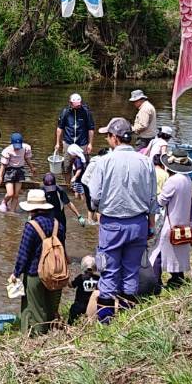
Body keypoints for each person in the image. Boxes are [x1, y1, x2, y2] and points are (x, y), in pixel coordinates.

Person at [79, 117, 156, 319]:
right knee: (131, 272)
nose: (107, 140)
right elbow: (152, 198)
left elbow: (94, 196)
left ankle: (106, 320)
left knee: (108, 272)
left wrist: (96, 208)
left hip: (112, 224)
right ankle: (126, 319)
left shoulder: (104, 162)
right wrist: (151, 226)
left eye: (108, 136)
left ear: (114, 138)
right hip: (139, 223)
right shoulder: (146, 161)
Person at [14, 189, 66, 335]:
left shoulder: (31, 226)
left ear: (31, 209)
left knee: (34, 309)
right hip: (56, 273)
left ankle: (36, 338)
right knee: (50, 308)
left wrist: (16, 274)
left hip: (35, 274)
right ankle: (51, 334)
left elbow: (24, 254)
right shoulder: (57, 225)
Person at [148, 151, 192, 290]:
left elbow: (161, 201)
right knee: (177, 254)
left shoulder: (173, 181)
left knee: (158, 253)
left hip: (170, 224)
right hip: (183, 225)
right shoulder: (187, 179)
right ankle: (177, 279)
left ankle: (155, 283)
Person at [0, 132, 32, 213]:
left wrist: (32, 167)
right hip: (10, 171)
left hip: (20, 171)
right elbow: (3, 165)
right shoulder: (7, 150)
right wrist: (0, 176)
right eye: (15, 147)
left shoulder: (25, 148)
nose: (17, 148)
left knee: (16, 195)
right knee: (10, 193)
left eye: (18, 146)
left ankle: (12, 212)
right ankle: (4, 202)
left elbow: (27, 158)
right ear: (12, 143)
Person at [67, 255, 99, 323]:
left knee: (72, 315)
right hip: (91, 305)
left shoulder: (80, 277)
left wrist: (67, 279)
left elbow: (71, 285)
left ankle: (70, 326)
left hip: (80, 304)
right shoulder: (97, 278)